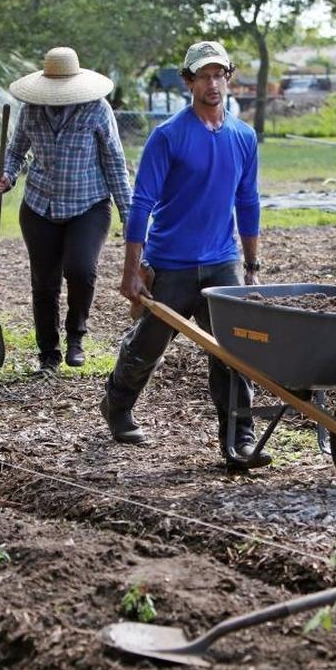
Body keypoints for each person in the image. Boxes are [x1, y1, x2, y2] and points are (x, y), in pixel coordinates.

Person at [101, 40, 269, 471]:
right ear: (188, 81)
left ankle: (239, 442)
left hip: (222, 261)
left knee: (234, 352)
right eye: (204, 76)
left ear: (228, 78)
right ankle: (117, 405)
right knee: (148, 345)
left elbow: (247, 202)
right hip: (171, 262)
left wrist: (250, 265)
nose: (213, 84)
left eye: (219, 75)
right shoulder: (168, 136)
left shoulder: (243, 136)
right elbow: (142, 205)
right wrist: (132, 271)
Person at [0, 47, 132, 373]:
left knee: (81, 270)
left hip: (89, 205)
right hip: (39, 206)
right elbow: (15, 154)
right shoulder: (31, 111)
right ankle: (48, 356)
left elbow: (114, 163)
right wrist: (7, 177)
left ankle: (76, 336)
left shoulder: (97, 110)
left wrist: (129, 216)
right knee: (44, 284)